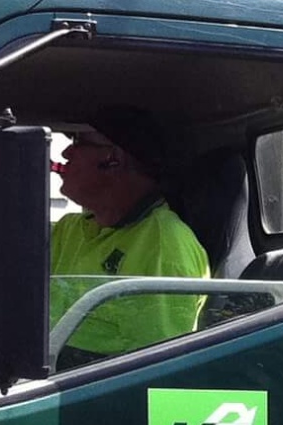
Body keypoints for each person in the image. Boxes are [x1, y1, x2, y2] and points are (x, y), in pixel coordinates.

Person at [48, 105, 209, 367]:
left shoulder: (164, 244)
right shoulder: (68, 230)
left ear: (113, 159)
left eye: (78, 142)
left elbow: (155, 368)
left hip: (88, 395)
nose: (66, 153)